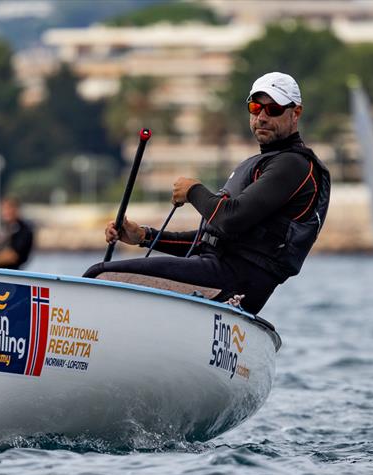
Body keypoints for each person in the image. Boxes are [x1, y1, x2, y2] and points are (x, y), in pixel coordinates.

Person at [83, 72, 331, 314]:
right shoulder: (263, 163)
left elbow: (231, 218)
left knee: (100, 274)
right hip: (216, 273)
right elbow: (209, 240)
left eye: (273, 109)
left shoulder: (293, 165)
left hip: (233, 284)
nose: (262, 117)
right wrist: (144, 237)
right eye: (256, 108)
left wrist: (193, 190)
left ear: (295, 113)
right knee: (105, 276)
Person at [0, 197, 34, 269]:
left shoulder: (24, 230)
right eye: (3, 209)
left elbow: (13, 256)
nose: (5, 212)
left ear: (16, 209)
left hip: (9, 271)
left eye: (8, 208)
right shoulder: (6, 228)